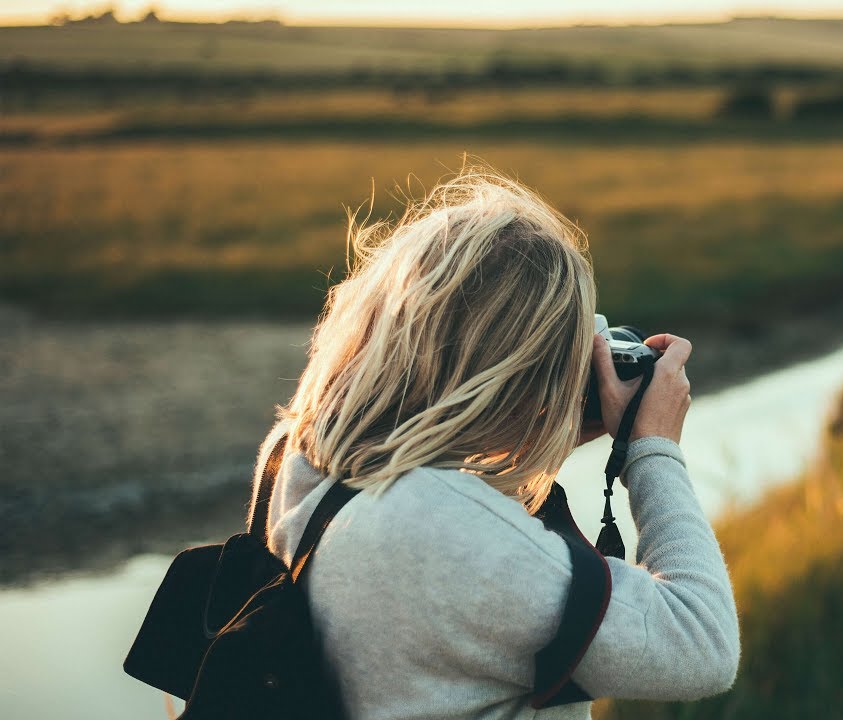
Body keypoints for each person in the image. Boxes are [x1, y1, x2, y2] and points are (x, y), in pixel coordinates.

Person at [251, 168, 740, 719]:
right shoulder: (437, 529)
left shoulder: (305, 459)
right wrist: (654, 449)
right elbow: (702, 644)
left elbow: (452, 625)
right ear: (517, 366)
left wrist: (537, 434)